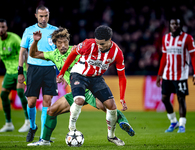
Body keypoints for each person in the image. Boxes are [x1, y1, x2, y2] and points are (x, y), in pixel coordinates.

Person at [26, 27, 135, 146]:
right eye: (59, 43)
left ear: (69, 41)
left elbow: (89, 58)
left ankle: (122, 122)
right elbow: (33, 54)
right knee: (52, 111)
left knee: (107, 106)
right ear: (55, 44)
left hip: (89, 87)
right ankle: (45, 141)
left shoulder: (78, 49)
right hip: (76, 90)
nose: (63, 45)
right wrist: (36, 42)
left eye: (65, 41)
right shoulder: (53, 54)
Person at [57, 25, 128, 146]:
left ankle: (111, 136)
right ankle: (72, 128)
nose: (99, 46)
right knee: (79, 100)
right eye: (97, 43)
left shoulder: (117, 53)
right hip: (79, 74)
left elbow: (122, 76)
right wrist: (62, 73)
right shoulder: (88, 44)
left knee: (111, 106)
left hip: (96, 78)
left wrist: (122, 97)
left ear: (110, 40)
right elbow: (73, 54)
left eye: (102, 44)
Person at [18, 5, 58, 142]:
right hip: (33, 68)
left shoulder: (55, 31)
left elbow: (59, 52)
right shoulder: (29, 31)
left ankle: (42, 137)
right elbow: (23, 51)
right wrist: (20, 70)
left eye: (46, 15)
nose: (43, 18)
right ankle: (33, 126)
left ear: (49, 15)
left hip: (50, 69)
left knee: (47, 102)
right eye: (41, 16)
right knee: (31, 102)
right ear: (36, 16)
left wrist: (62, 71)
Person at [156, 17, 195, 133]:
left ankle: (182, 124)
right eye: (172, 24)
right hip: (167, 74)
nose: (174, 26)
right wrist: (159, 74)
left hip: (181, 75)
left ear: (180, 25)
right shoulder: (166, 38)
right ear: (169, 25)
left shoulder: (187, 38)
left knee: (181, 99)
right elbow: (164, 57)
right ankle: (173, 121)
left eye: (176, 24)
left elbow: (194, 56)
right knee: (164, 98)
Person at [0, 19, 30, 132]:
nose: (1, 30)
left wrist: (27, 70)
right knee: (3, 95)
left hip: (20, 70)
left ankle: (28, 121)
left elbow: (25, 53)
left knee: (20, 92)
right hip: (9, 72)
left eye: (3, 27)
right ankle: (8, 124)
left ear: (6, 27)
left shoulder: (15, 39)